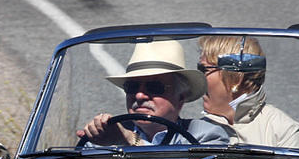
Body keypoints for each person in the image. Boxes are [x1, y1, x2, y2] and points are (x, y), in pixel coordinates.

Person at [78, 39, 231, 146]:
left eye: (154, 87)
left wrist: (131, 141)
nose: (139, 95)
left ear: (180, 98)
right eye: (131, 87)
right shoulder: (107, 135)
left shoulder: (204, 135)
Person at [196, 35, 299, 148]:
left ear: (236, 79)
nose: (199, 78)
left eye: (203, 69)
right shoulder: (195, 131)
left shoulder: (282, 130)